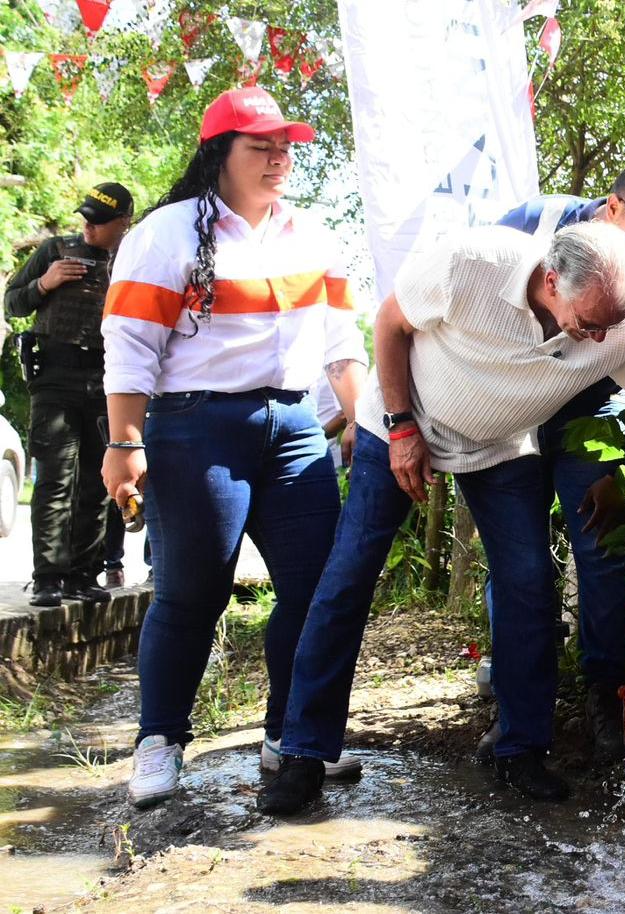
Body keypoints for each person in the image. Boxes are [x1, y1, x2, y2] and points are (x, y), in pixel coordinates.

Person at [258, 220, 625, 816]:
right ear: (552, 281)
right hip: (400, 420)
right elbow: (391, 324)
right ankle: (303, 755)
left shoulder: (619, 329)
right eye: (589, 323)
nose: (602, 340)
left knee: (528, 585)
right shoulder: (471, 261)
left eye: (611, 325)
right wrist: (399, 428)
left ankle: (519, 747)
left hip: (497, 446)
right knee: (348, 579)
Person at [102, 87, 369, 808]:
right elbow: (129, 346)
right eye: (262, 145)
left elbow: (341, 346)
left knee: (316, 592)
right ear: (219, 151)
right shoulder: (165, 234)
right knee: (193, 594)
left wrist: (372, 424)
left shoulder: (311, 234)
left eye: (286, 146)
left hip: (294, 432)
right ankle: (159, 740)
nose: (279, 158)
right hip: (195, 429)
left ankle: (293, 737)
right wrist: (123, 443)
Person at [490, 155, 625, 764]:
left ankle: (606, 694)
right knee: (517, 561)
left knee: (603, 552)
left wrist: (621, 467)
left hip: (594, 412)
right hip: (514, 410)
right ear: (611, 207)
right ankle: (517, 707)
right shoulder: (530, 222)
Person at [4, 182, 133, 607]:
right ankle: (48, 578)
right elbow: (13, 303)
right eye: (86, 218)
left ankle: (82, 573)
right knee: (55, 480)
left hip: (106, 381)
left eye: (99, 222)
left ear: (123, 223)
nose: (88, 228)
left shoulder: (133, 260)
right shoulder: (56, 250)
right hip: (55, 378)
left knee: (98, 483)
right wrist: (44, 283)